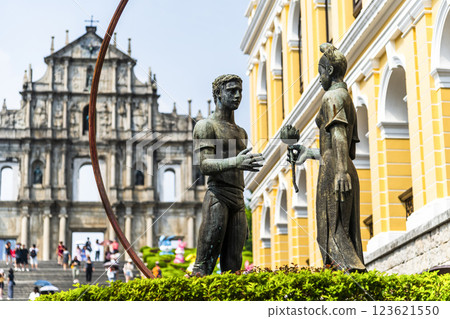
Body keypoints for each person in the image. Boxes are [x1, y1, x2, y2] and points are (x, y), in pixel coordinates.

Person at [289, 43, 366, 272]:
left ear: (329, 72)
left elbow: (340, 135)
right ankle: (350, 284)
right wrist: (309, 153)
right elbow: (340, 144)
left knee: (331, 232)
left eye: (320, 73)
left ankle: (348, 287)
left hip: (335, 170)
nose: (319, 78)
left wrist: (340, 171)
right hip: (341, 165)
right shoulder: (346, 97)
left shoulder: (331, 97)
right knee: (345, 233)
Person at [191, 74, 263, 276]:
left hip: (238, 200)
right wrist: (236, 162)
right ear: (218, 94)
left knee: (234, 267)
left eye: (240, 91)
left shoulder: (241, 133)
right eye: (231, 91)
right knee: (204, 265)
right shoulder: (206, 126)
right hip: (218, 196)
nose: (238, 95)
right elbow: (204, 165)